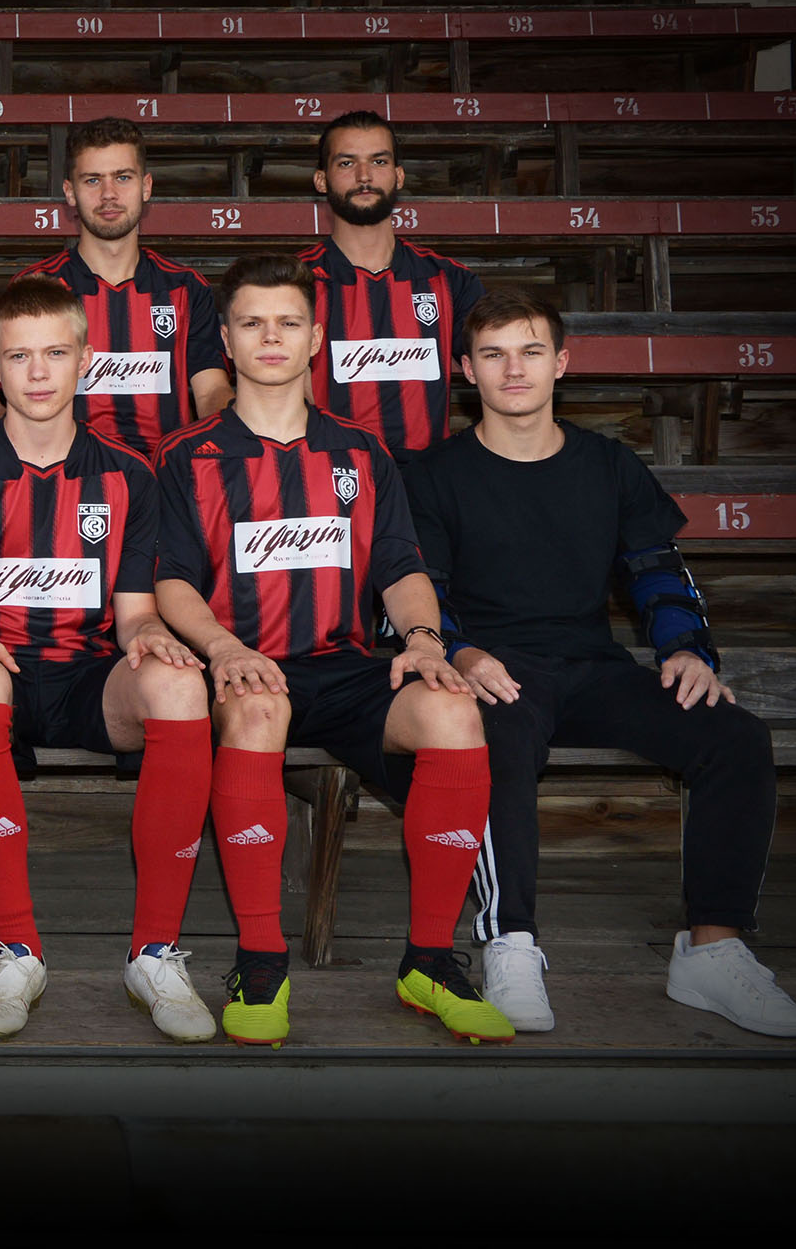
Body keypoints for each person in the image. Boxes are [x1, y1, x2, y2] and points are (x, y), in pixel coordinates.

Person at [405, 286, 796, 1037]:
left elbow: (657, 570)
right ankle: (510, 942)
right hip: (495, 668)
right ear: (465, 368)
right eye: (493, 354)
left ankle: (712, 950)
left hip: (593, 665)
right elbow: (420, 586)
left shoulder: (610, 464)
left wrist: (686, 649)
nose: (514, 369)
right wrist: (460, 650)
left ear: (561, 362)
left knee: (735, 734)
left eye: (531, 352)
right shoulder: (432, 473)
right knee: (493, 731)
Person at [153, 253, 509, 1046]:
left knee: (453, 711)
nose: (270, 336)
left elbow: (401, 567)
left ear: (316, 338)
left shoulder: (360, 451)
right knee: (257, 704)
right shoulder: (187, 454)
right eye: (251, 322)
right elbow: (172, 581)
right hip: (242, 665)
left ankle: (429, 961)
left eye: (287, 322)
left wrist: (424, 640)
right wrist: (222, 647)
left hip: (344, 666)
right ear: (225, 341)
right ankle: (259, 959)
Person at [0, 277, 218, 1042]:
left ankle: (154, 953)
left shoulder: (129, 472)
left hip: (88, 675)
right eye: (20, 356)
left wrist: (151, 635)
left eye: (55, 352)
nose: (39, 371)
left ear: (86, 358)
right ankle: (18, 950)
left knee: (181, 685)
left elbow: (134, 611)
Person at [22, 116, 231, 453]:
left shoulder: (185, 288)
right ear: (70, 193)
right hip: (69, 470)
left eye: (122, 177)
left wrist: (239, 431)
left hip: (164, 470)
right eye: (93, 180)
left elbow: (210, 391)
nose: (109, 194)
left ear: (146, 186)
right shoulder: (38, 287)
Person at [300, 110, 481, 458]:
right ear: (321, 180)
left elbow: (497, 371)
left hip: (427, 474)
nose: (364, 176)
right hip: (331, 471)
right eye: (346, 163)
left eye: (379, 161)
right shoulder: (294, 283)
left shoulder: (450, 280)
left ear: (398, 176)